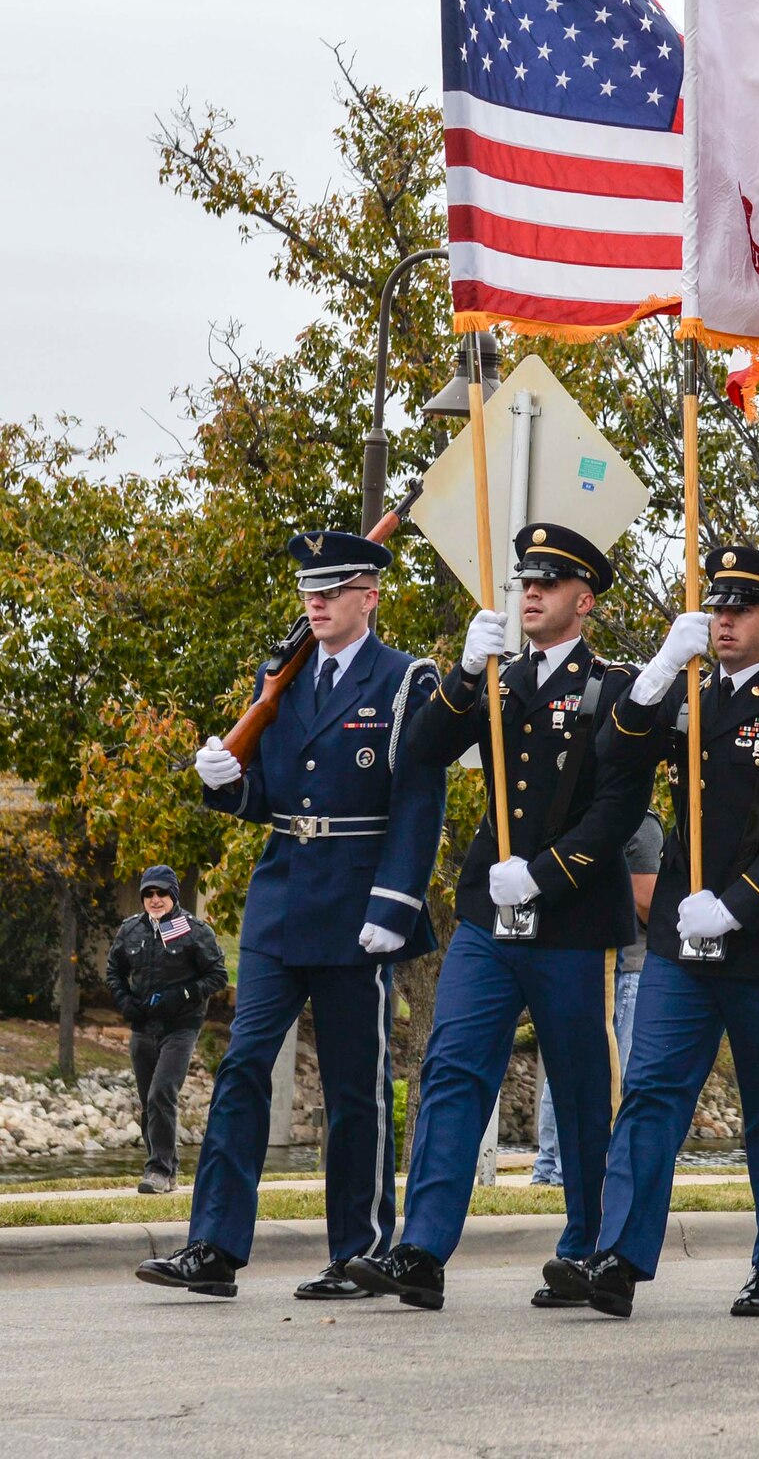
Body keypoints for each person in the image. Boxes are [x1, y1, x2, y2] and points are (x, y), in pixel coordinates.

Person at [347, 523, 652, 1312]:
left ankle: (586, 1249)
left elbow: (621, 808)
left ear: (583, 602)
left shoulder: (612, 687)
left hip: (573, 917)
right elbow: (418, 751)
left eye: (548, 585)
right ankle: (422, 1251)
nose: (531, 595)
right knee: (451, 1071)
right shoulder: (500, 678)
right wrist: (460, 674)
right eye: (525, 584)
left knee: (584, 1090)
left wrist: (545, 875)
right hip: (489, 915)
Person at [139, 529, 446, 1302]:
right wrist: (220, 779)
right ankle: (212, 1245)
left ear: (369, 597)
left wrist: (397, 902)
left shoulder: (407, 680)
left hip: (358, 902)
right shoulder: (279, 677)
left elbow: (418, 800)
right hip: (283, 898)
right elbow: (267, 796)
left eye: (335, 588)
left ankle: (359, 1252)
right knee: (243, 1067)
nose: (317, 600)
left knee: (354, 1087)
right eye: (310, 589)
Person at [549, 545, 759, 1320]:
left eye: (741, 608)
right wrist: (653, 672)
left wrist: (739, 905)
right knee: (649, 1094)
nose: (723, 620)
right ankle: (619, 1255)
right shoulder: (683, 696)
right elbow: (610, 750)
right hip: (683, 940)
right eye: (717, 607)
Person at [526, 812, 663, 1190]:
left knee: (567, 1070)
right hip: (628, 967)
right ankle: (590, 1168)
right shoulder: (641, 825)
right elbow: (647, 899)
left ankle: (551, 1168)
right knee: (614, 1074)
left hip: (579, 959)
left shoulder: (571, 821)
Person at [106, 865, 227, 1195]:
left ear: (173, 895)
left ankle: (157, 1170)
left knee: (162, 1092)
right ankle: (167, 1168)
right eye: (149, 894)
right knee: (149, 1101)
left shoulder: (194, 930)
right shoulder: (129, 931)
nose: (155, 899)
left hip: (181, 1027)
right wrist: (125, 1001)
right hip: (143, 1026)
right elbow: (113, 971)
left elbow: (218, 975)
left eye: (161, 893)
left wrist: (182, 995)